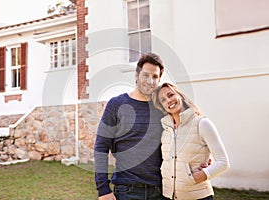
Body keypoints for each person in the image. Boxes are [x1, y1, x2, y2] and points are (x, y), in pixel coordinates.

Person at [94, 52, 165, 200]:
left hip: (161, 190)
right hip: (127, 191)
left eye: (155, 77)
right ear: (136, 75)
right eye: (145, 75)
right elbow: (101, 147)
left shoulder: (163, 108)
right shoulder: (116, 104)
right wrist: (103, 189)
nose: (150, 81)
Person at [152, 82, 230, 200]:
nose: (168, 100)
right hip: (168, 196)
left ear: (180, 96)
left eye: (171, 95)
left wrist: (199, 176)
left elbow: (223, 162)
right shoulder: (165, 131)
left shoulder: (202, 123)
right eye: (163, 100)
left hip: (197, 196)